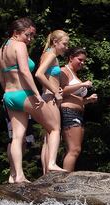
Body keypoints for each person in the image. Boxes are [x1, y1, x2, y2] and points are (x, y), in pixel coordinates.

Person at [0, 17, 66, 183]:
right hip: (24, 94)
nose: (30, 39)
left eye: (32, 36)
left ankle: (17, 175)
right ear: (16, 32)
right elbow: (25, 71)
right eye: (28, 35)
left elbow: (1, 77)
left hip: (9, 95)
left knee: (17, 137)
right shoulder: (19, 45)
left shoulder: (2, 49)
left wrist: (7, 95)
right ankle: (51, 164)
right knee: (54, 127)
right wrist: (35, 94)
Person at [35, 29, 69, 174]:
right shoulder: (51, 55)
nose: (66, 48)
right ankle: (52, 164)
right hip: (50, 97)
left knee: (48, 137)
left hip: (47, 96)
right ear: (55, 42)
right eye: (64, 44)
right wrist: (55, 91)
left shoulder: (47, 54)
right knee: (55, 130)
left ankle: (46, 172)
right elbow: (39, 74)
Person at [59, 47, 97, 171]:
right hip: (69, 112)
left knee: (75, 149)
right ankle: (65, 181)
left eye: (84, 61)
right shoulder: (64, 70)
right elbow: (61, 91)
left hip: (77, 113)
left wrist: (88, 99)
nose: (82, 63)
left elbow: (75, 98)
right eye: (79, 60)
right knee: (74, 149)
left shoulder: (75, 74)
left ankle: (66, 177)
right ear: (71, 58)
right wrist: (82, 84)